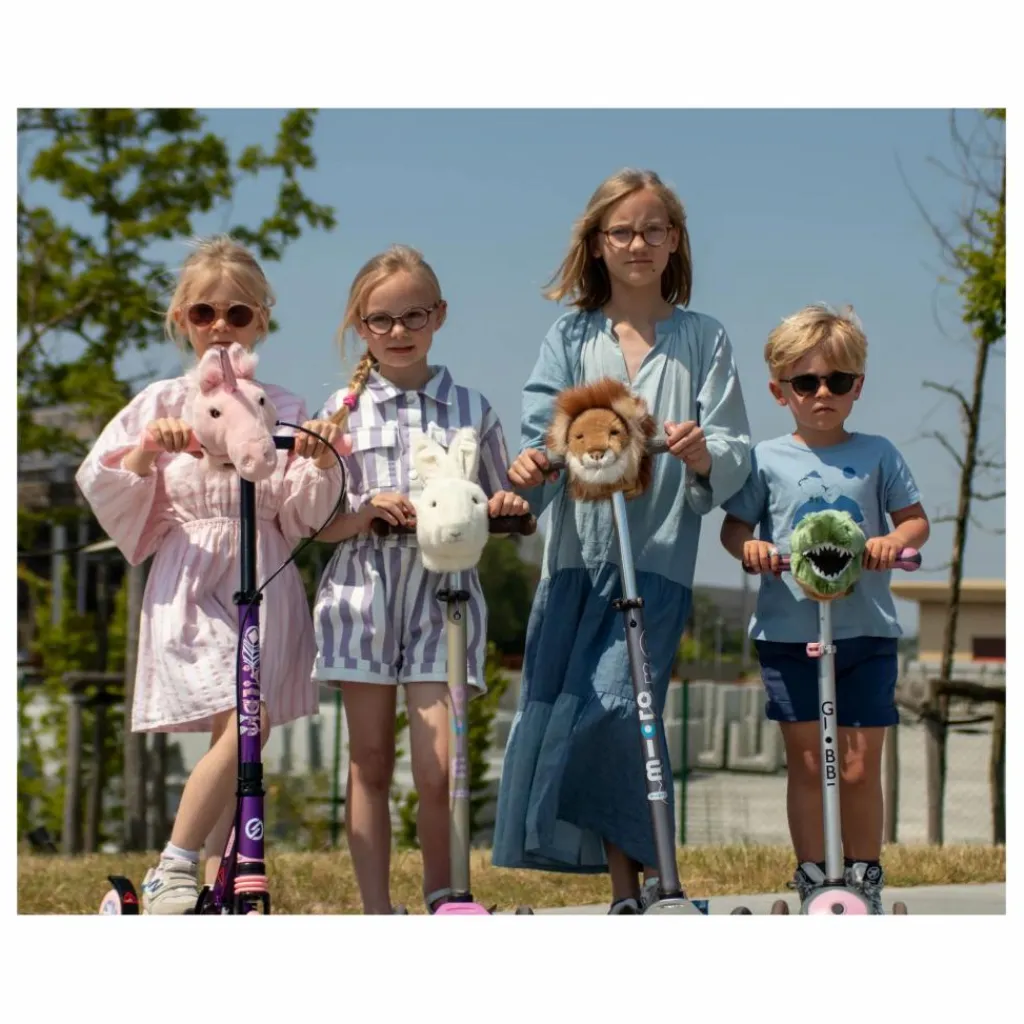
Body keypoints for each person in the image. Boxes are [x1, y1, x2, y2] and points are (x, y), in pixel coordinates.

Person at [491, 168, 752, 913]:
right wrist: (529, 471)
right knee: (588, 712)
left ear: (675, 241)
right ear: (598, 243)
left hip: (659, 562)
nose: (639, 243)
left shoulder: (704, 338)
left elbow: (732, 443)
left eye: (653, 230)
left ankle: (657, 884)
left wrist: (703, 453)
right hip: (579, 564)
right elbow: (544, 436)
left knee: (621, 707)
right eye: (624, 231)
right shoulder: (570, 336)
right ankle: (632, 892)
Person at [76, 236, 345, 913]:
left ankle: (224, 886)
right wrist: (148, 450)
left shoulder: (284, 405)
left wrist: (319, 460)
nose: (220, 326)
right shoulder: (161, 401)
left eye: (237, 313)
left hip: (264, 572)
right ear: (182, 319)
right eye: (204, 312)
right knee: (247, 718)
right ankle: (173, 864)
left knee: (245, 735)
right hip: (191, 577)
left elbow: (301, 514)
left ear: (261, 321)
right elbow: (103, 482)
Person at [311, 244, 527, 914]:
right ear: (360, 325)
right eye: (380, 319)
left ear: (440, 315)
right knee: (370, 760)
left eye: (413, 316)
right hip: (362, 596)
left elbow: (503, 507)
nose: (398, 331)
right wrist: (365, 512)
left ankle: (445, 898)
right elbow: (316, 524)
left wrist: (506, 505)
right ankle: (378, 911)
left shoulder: (471, 407)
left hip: (445, 597)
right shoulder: (340, 412)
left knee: (440, 765)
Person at [719, 303, 930, 913]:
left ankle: (864, 876)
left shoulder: (879, 453)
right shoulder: (765, 459)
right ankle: (814, 876)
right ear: (779, 390)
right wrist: (751, 547)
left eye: (837, 381)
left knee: (860, 767)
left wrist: (893, 541)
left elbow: (915, 522)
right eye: (805, 382)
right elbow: (735, 529)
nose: (821, 394)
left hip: (866, 632)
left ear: (858, 386)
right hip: (788, 632)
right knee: (809, 763)